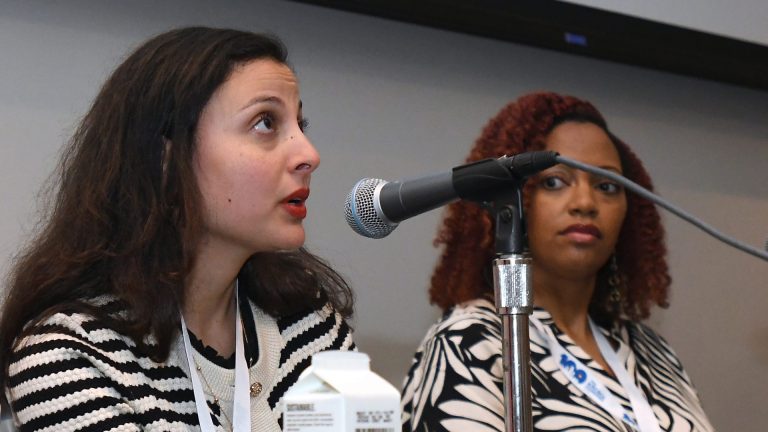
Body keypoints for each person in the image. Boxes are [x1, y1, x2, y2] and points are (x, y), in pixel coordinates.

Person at [0, 27, 354, 431]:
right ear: (166, 157)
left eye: (300, 124)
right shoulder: (70, 354)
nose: (309, 154)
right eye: (265, 123)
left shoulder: (307, 322)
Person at [401, 92, 713, 431]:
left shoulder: (650, 350)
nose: (585, 202)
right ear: (510, 204)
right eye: (554, 182)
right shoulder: (470, 339)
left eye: (607, 185)